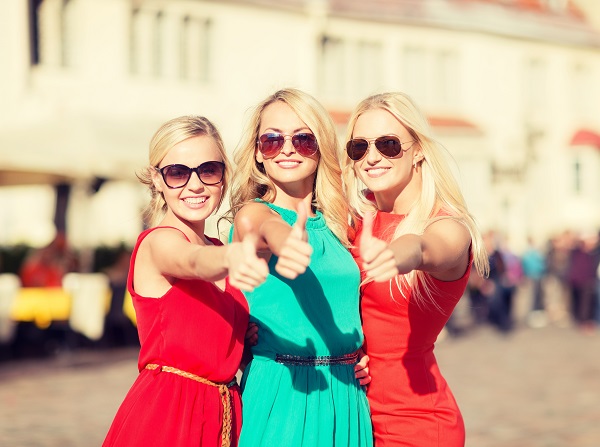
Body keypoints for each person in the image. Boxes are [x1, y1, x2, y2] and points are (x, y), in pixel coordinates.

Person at [102, 116, 268, 447]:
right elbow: (190, 261)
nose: (195, 185)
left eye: (208, 170)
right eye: (178, 173)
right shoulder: (158, 241)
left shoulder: (219, 248)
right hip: (169, 416)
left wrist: (244, 337)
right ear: (157, 179)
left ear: (223, 176)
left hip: (224, 413)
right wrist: (231, 258)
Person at [226, 88, 373, 447]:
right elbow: (264, 229)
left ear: (321, 147)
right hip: (283, 392)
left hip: (347, 393)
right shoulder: (254, 213)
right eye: (272, 140)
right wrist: (287, 241)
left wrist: (369, 350)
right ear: (259, 153)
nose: (287, 148)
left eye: (303, 139)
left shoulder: (342, 224)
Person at [341, 92, 489, 447]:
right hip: (352, 412)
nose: (372, 157)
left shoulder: (447, 225)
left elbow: (429, 247)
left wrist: (398, 253)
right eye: (359, 147)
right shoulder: (353, 221)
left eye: (389, 144)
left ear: (418, 149)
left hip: (417, 422)